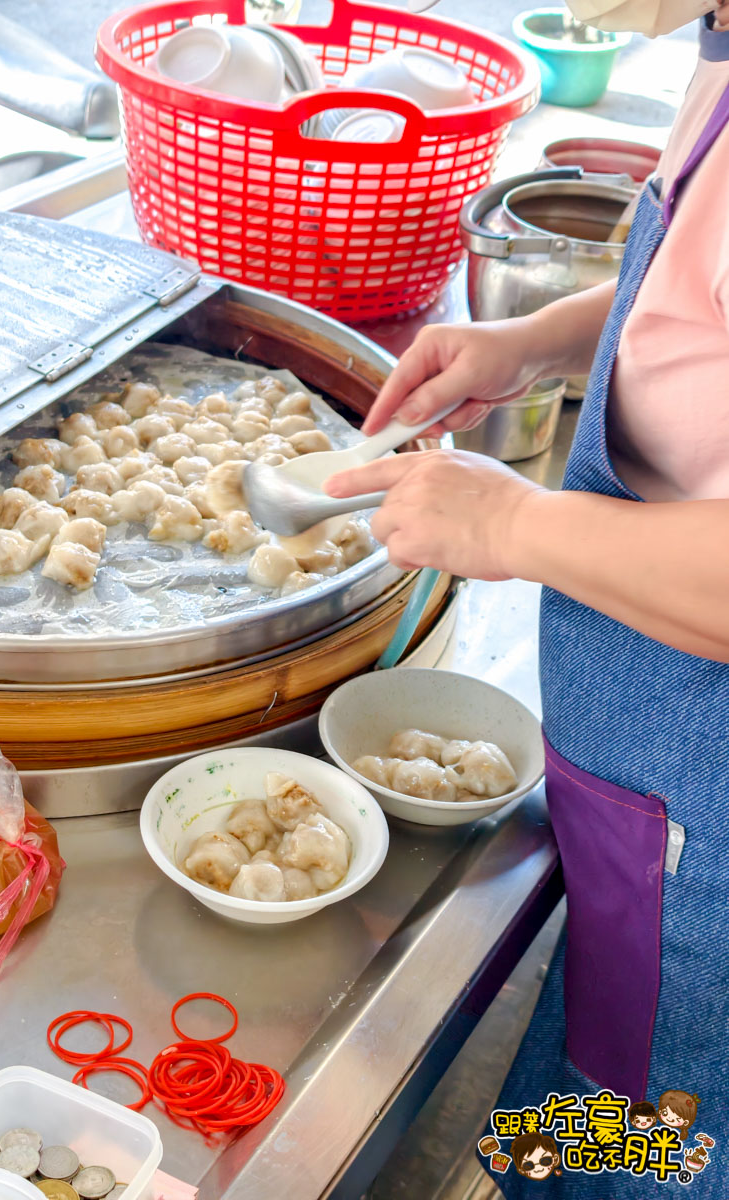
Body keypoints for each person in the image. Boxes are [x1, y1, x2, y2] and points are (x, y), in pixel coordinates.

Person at [325, 3, 728, 1196]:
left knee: (676, 1140)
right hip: (646, 794)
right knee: (600, 1102)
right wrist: (541, 343)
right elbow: (694, 316)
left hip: (708, 826)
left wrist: (509, 523)